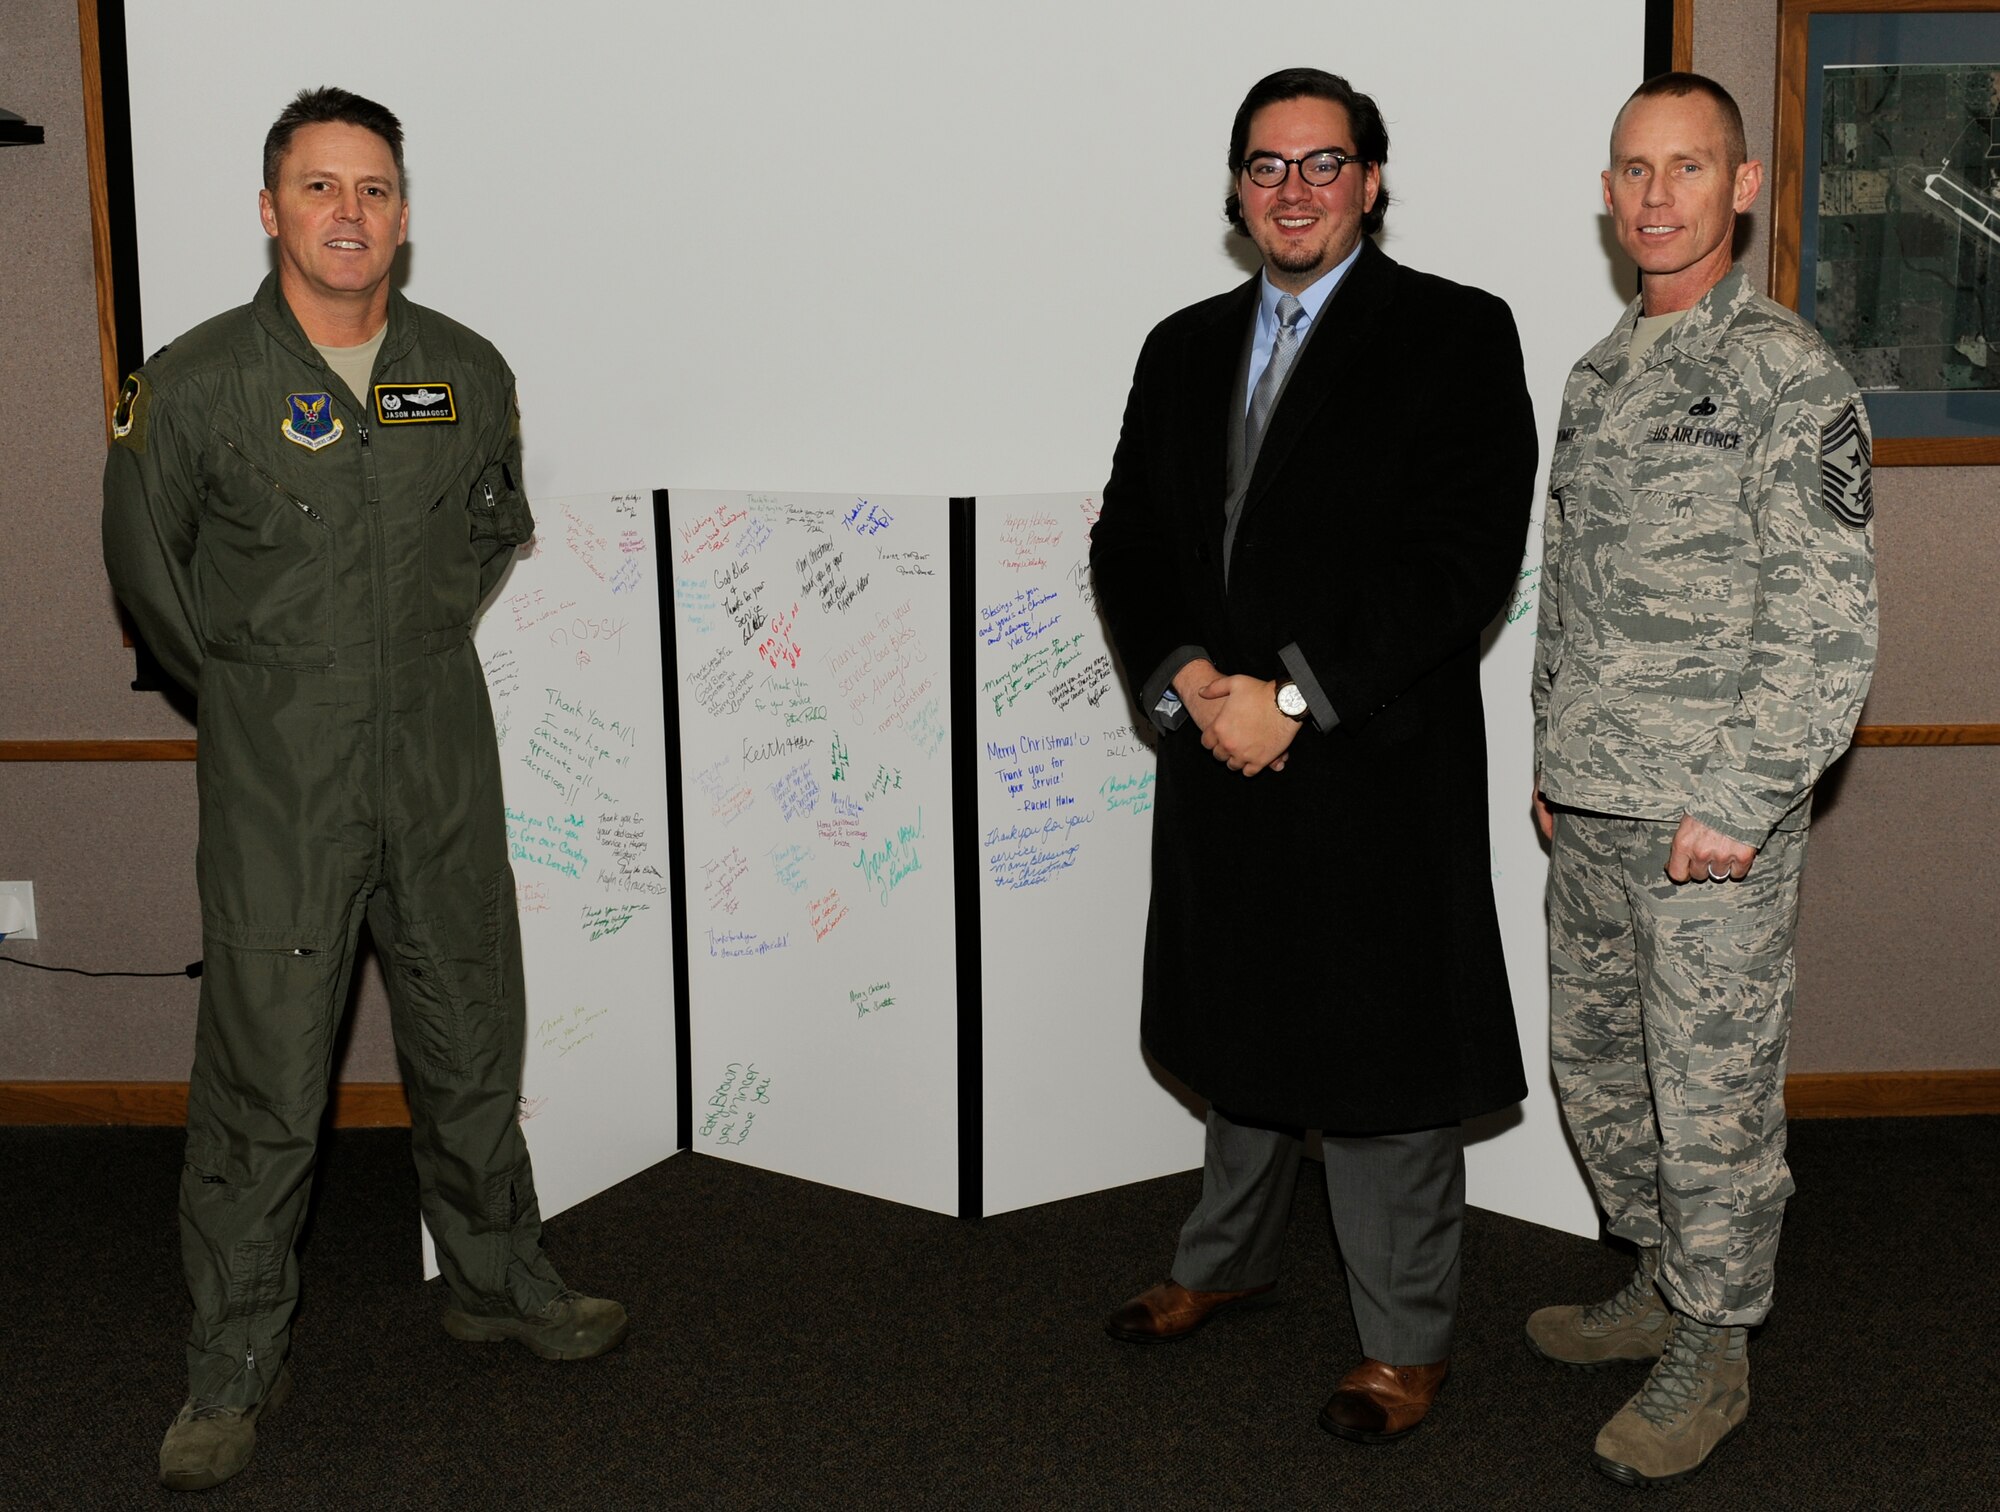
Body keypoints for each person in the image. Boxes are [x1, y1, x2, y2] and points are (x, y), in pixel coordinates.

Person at [102, 88, 627, 1493]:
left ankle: (497, 1278)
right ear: (271, 210)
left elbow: (487, 526)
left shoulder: (462, 367)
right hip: (283, 769)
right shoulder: (196, 382)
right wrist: (278, 691)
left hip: (439, 748)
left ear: (405, 210)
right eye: (321, 187)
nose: (351, 213)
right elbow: (153, 582)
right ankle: (231, 1363)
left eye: (376, 188)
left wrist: (391, 658)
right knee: (269, 1073)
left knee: (470, 1030)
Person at [1089, 67, 1537, 1442]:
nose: (1295, 189)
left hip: (1370, 756)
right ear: (1235, 190)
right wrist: (1186, 683)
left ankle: (1404, 1341)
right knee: (1238, 1021)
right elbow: (1130, 540)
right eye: (1268, 167)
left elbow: (1458, 563)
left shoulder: (1454, 334)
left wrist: (1288, 699)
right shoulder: (1179, 346)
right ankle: (1222, 1264)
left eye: (1323, 163)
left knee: (1380, 1054)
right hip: (1215, 747)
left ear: (1373, 181)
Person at [1528, 72, 1876, 1488]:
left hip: (1709, 823)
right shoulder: (1599, 375)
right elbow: (1569, 590)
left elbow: (1830, 620)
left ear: (1740, 187)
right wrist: (1552, 753)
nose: (1656, 192)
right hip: (1597, 803)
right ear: (1609, 194)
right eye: (1633, 168)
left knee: (1710, 1089)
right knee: (1602, 1073)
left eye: (1686, 166)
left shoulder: (1791, 375)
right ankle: (1664, 1282)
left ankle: (1717, 1345)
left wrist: (1741, 800)